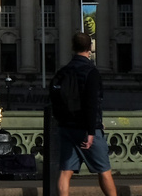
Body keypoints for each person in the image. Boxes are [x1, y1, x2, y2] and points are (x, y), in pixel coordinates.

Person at [49, 33, 116, 196]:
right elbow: (92, 103)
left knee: (65, 171)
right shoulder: (90, 72)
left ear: (73, 48)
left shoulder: (63, 71)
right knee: (104, 170)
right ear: (90, 48)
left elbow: (53, 98)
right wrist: (92, 131)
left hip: (66, 127)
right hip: (86, 128)